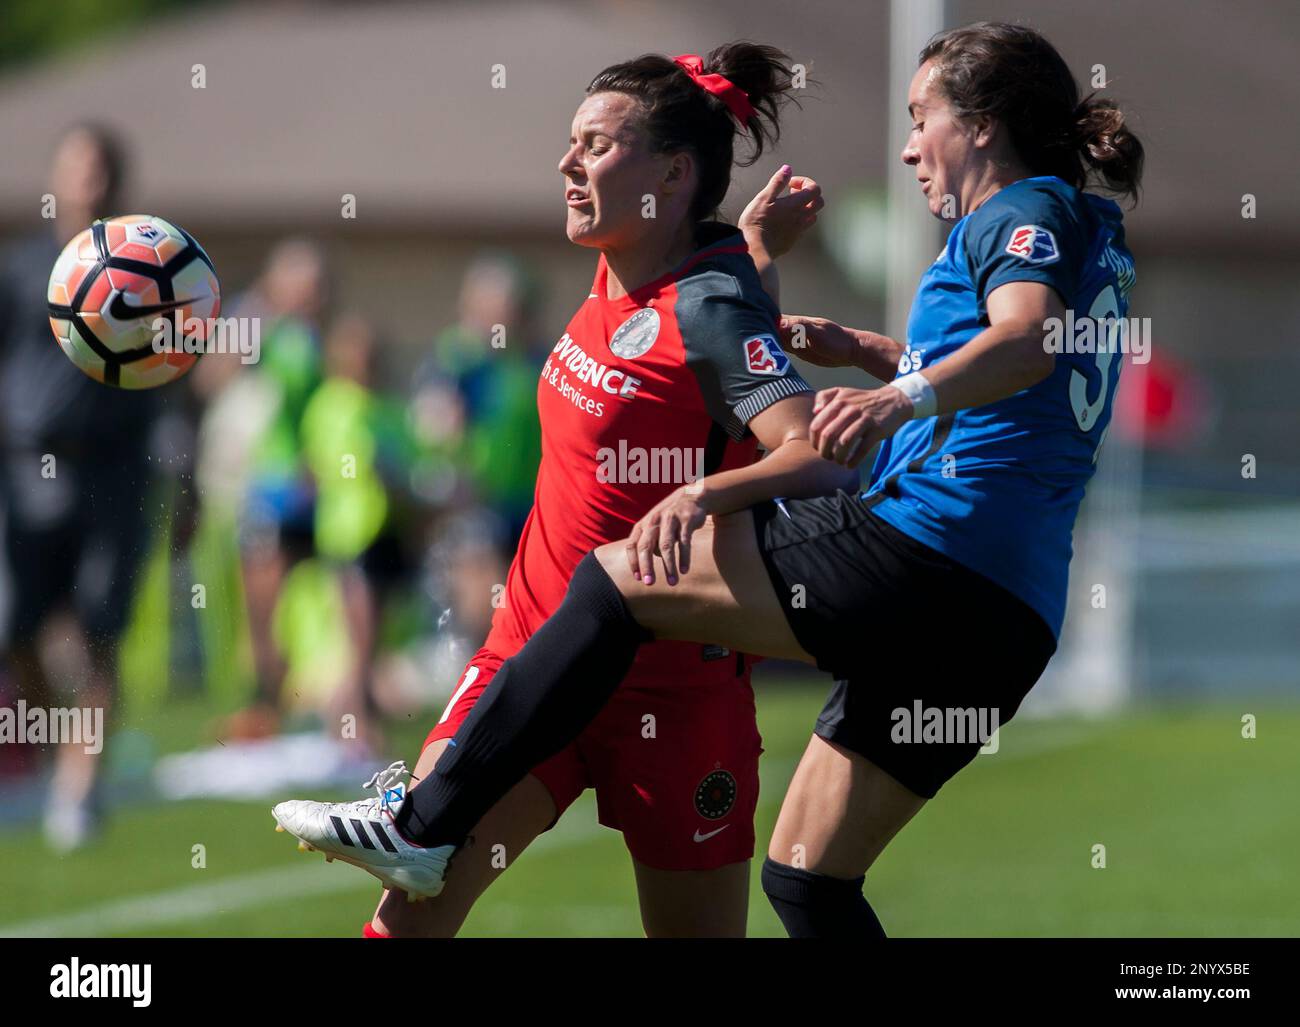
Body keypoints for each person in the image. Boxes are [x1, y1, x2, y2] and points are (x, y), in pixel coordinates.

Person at [279, 20, 1143, 938]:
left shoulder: (1021, 214)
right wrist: (882, 356)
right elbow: (1022, 389)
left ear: (983, 124)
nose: (905, 145)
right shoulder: (1088, 225)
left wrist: (889, 404)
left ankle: (420, 822)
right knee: (807, 880)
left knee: (622, 576)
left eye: (921, 115)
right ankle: (427, 819)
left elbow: (1024, 345)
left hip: (929, 560)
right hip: (1005, 618)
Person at [276, 42, 841, 937]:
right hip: (531, 664)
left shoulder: (708, 306)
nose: (567, 163)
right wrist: (762, 248)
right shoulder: (619, 263)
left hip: (674, 693)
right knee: (406, 919)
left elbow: (810, 447)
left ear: (673, 172)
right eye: (572, 141)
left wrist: (701, 499)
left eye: (596, 145)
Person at [0, 123, 171, 850]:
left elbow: (181, 365)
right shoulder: (20, 268)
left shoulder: (149, 268)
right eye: (76, 168)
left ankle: (80, 786)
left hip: (115, 467)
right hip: (25, 468)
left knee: (99, 629)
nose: (88, 182)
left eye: (101, 169)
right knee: (19, 631)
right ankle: (47, 755)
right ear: (56, 177)